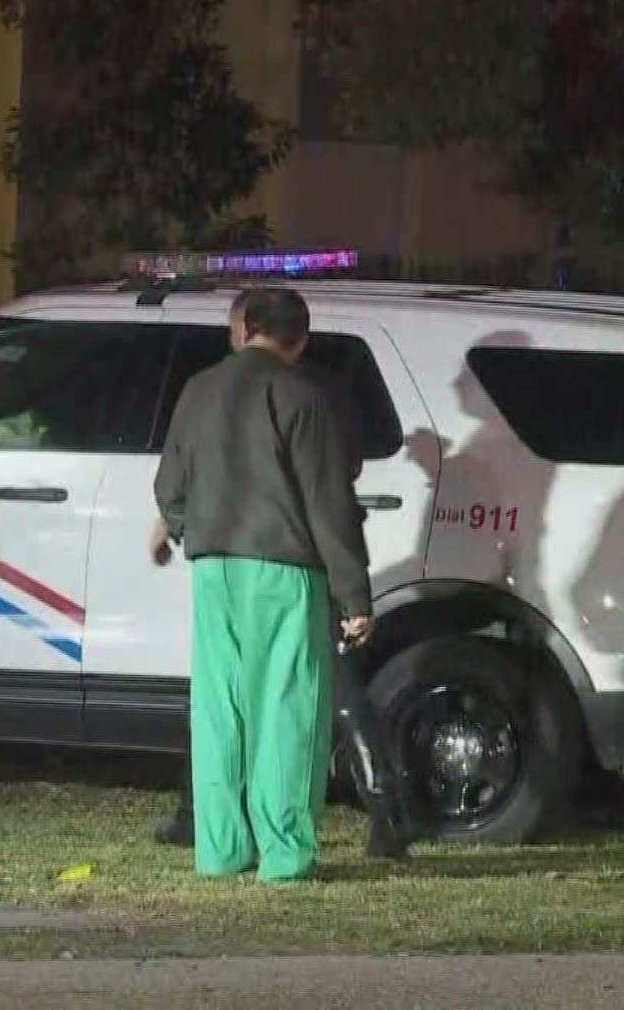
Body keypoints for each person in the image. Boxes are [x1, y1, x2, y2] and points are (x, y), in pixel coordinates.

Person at [150, 286, 408, 881]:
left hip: (213, 569)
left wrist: (191, 528)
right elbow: (328, 504)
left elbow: (170, 486)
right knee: (286, 708)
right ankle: (285, 854)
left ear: (246, 329)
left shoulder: (198, 391)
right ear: (302, 338)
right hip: (285, 569)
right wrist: (354, 595)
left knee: (219, 710)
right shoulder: (301, 396)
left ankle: (219, 851)